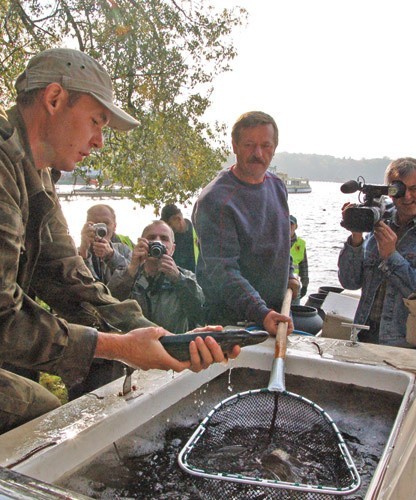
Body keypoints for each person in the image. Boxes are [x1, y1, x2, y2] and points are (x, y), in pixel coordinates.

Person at [0, 48, 238, 434]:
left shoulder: (33, 173)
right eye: (96, 121)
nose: (99, 141)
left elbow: (72, 279)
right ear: (55, 99)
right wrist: (116, 347)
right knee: (37, 414)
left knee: (42, 410)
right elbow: (3, 321)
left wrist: (166, 339)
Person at [192, 111, 299, 336]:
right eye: (249, 145)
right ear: (235, 146)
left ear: (275, 147)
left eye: (265, 145)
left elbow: (283, 244)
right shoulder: (216, 200)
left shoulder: (277, 186)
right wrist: (262, 313)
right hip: (232, 325)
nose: (258, 153)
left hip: (274, 318)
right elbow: (223, 271)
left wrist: (289, 273)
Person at [337, 157, 416, 347]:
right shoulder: (377, 219)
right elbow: (350, 282)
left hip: (404, 345)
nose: (407, 197)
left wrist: (391, 256)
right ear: (389, 191)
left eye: (413, 189)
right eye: (399, 190)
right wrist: (356, 237)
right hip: (362, 336)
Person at [108, 220, 204, 332]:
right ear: (140, 243)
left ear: (172, 249)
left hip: (173, 345)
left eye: (164, 239)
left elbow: (200, 312)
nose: (157, 242)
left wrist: (178, 279)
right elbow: (109, 307)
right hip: (134, 345)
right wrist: (131, 271)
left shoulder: (186, 277)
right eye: (151, 238)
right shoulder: (127, 274)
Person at [79, 204, 132, 283]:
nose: (101, 228)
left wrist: (111, 255)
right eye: (96, 223)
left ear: (114, 227)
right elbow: (78, 281)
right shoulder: (76, 253)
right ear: (87, 225)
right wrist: (83, 251)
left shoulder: (124, 250)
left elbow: (133, 277)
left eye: (106, 223)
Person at [160, 204, 198, 273]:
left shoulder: (199, 233)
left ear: (178, 219)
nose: (168, 228)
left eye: (169, 224)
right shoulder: (170, 241)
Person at [289, 215, 309, 305]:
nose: (289, 227)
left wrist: (305, 284)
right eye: (286, 224)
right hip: (280, 283)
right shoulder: (278, 241)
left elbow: (304, 265)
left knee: (294, 310)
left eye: (291, 224)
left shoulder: (300, 244)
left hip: (295, 284)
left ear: (296, 226)